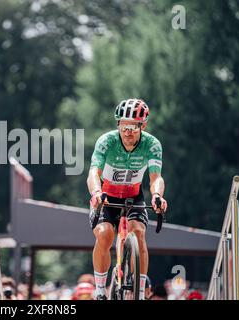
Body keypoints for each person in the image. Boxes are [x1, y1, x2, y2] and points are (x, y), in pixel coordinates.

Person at [87, 99, 168, 300]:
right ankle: (99, 290)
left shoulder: (152, 144)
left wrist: (157, 196)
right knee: (105, 235)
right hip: (106, 197)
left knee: (139, 232)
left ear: (143, 126)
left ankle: (139, 292)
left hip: (133, 196)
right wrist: (96, 192)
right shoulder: (107, 141)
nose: (127, 131)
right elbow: (93, 173)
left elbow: (155, 177)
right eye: (123, 125)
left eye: (133, 127)